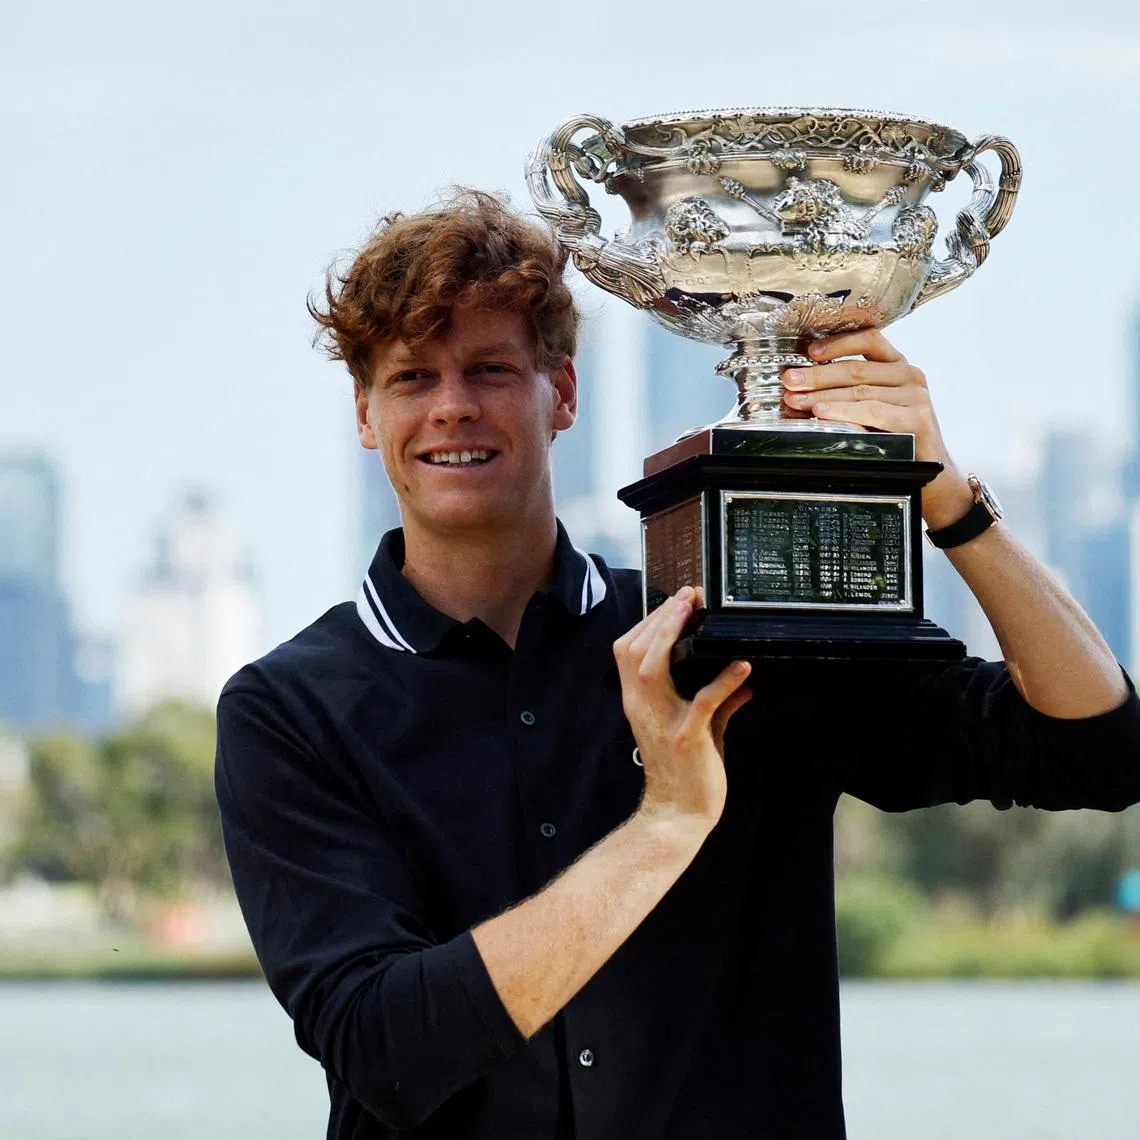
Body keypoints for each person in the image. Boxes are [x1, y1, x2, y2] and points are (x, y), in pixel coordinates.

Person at [214, 189, 1140, 1140]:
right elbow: (387, 1051)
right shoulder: (290, 710)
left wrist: (945, 495)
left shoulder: (730, 641)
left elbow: (1096, 750)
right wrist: (666, 822)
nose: (453, 406)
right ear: (366, 413)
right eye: (413, 378)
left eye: (491, 369)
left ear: (563, 394)